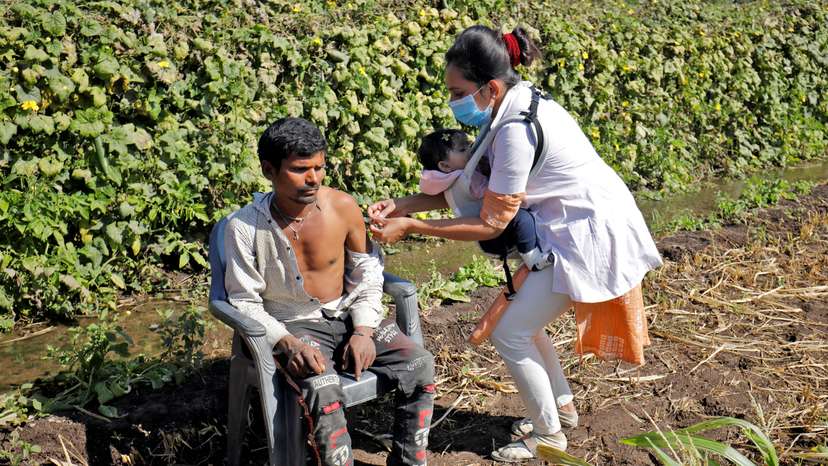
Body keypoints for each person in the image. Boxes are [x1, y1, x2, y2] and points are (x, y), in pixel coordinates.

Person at [368, 26, 662, 462]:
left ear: (488, 87)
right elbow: (469, 186)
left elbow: (490, 222)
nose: (452, 102)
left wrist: (411, 226)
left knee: (510, 333)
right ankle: (561, 410)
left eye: (457, 91)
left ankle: (549, 438)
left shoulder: (514, 130)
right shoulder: (509, 106)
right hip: (565, 230)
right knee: (525, 325)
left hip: (589, 237)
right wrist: (403, 204)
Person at [223, 117, 435, 466]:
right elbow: (244, 301)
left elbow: (368, 270)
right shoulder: (244, 227)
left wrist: (365, 329)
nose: (313, 179)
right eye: (300, 169)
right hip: (295, 325)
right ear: (268, 169)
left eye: (320, 168)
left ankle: (410, 461)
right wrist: (287, 342)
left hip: (350, 314)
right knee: (322, 387)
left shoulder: (343, 207)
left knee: (419, 363)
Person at [417, 128, 553, 271]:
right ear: (445, 165)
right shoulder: (468, 180)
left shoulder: (449, 179)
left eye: (470, 145)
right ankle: (534, 260)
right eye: (463, 149)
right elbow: (495, 193)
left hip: (486, 237)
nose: (471, 151)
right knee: (523, 219)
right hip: (494, 233)